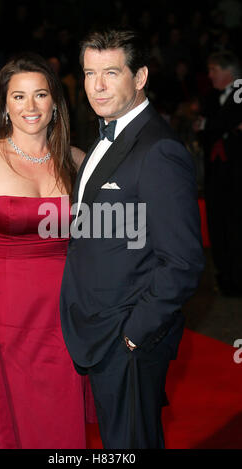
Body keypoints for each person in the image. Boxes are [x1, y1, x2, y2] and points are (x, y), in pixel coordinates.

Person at [60, 29, 204, 449]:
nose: (97, 86)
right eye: (89, 73)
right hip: (99, 328)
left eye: (110, 72)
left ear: (139, 77)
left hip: (127, 338)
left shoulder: (158, 150)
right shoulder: (108, 135)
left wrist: (133, 334)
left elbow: (183, 261)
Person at [0, 53, 88, 449]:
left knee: (60, 422)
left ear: (55, 103)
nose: (30, 106)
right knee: (3, 423)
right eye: (19, 96)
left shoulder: (78, 163)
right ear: (4, 105)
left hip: (64, 319)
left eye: (40, 95)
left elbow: (97, 246)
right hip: (0, 320)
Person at [201, 51, 242, 296]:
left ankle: (236, 278)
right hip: (217, 174)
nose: (210, 75)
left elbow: (214, 125)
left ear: (228, 72)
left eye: (214, 69)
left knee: (236, 225)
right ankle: (225, 276)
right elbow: (208, 128)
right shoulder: (212, 98)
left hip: (237, 175)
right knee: (218, 224)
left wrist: (213, 126)